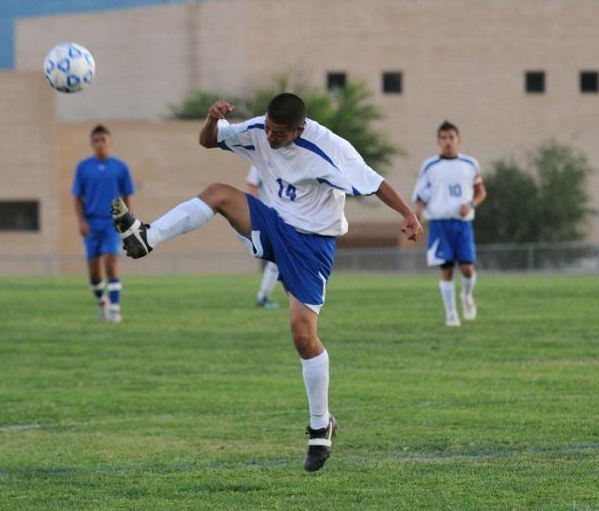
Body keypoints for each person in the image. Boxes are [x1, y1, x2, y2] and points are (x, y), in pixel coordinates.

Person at [111, 93, 422, 471]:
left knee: (303, 335)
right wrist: (211, 120)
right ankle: (148, 236)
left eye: (279, 133)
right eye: (270, 130)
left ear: (299, 129)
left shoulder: (329, 149)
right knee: (218, 193)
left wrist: (408, 214)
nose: (271, 139)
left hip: (312, 244)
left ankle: (320, 426)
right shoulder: (259, 130)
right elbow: (209, 141)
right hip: (275, 222)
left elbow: (375, 182)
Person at [412, 121, 486, 327]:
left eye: (451, 137)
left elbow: (481, 192)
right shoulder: (430, 166)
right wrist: (417, 215)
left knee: (467, 269)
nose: (447, 141)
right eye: (443, 138)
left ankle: (467, 296)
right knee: (446, 269)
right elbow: (421, 196)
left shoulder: (470, 164)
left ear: (458, 140)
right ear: (438, 141)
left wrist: (470, 204)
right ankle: (451, 313)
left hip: (462, 224)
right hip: (439, 224)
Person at [72, 124, 135, 324]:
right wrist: (81, 221)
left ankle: (115, 310)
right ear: (91, 143)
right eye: (96, 141)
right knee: (94, 273)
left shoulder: (121, 167)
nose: (100, 144)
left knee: (111, 263)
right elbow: (77, 197)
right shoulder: (83, 167)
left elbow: (127, 195)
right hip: (91, 224)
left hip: (112, 223)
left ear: (110, 142)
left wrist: (127, 220)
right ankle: (102, 302)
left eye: (103, 140)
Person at [246, 164, 280, 309]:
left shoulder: (282, 158)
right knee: (280, 259)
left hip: (284, 216)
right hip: (271, 216)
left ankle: (263, 297)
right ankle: (263, 296)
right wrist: (259, 211)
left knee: (278, 260)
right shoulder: (259, 160)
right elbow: (251, 184)